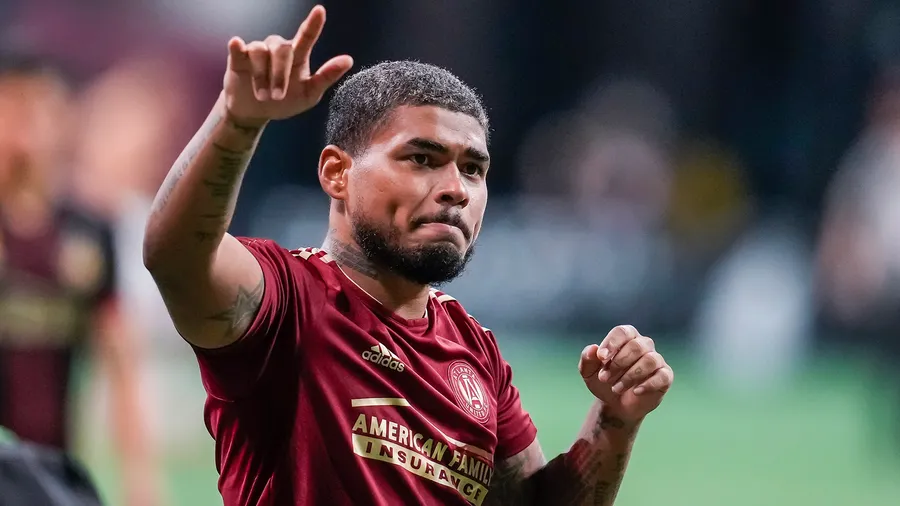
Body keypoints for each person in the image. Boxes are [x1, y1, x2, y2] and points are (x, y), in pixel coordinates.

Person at [142, 5, 675, 506]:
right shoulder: (287, 303)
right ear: (337, 173)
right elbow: (176, 256)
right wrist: (236, 123)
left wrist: (615, 419)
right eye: (422, 159)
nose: (456, 189)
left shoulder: (474, 352)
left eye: (473, 169)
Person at [0, 54, 157, 506]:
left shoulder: (89, 229)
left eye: (39, 108)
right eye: (14, 108)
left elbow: (120, 359)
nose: (27, 126)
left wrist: (140, 479)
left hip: (53, 473)